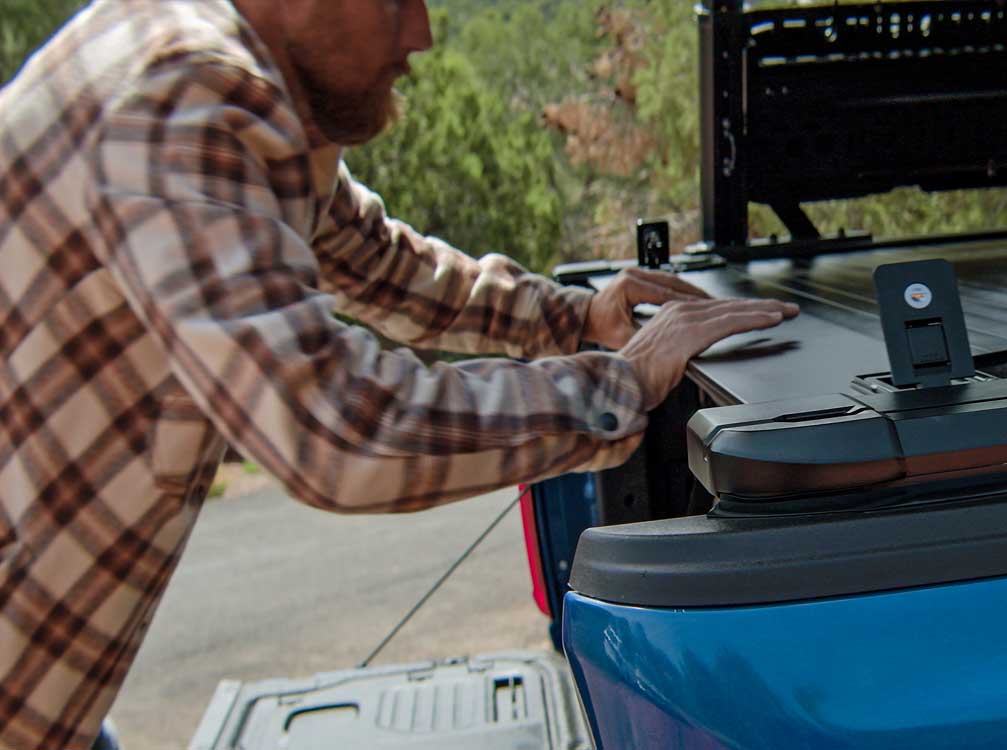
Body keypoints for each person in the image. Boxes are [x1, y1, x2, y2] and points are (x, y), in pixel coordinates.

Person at [0, 0, 798, 747]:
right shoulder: (181, 98)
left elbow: (376, 262)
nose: (418, 35)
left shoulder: (229, 73)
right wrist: (617, 387)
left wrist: (572, 319)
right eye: (393, 1)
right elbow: (337, 429)